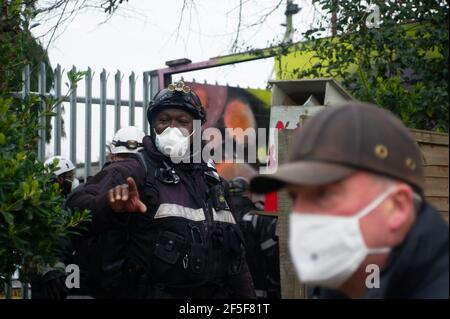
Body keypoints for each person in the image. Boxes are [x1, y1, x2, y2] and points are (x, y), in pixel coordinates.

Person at [66, 81, 255, 299]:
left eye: (182, 121)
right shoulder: (134, 170)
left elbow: (237, 262)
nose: (171, 128)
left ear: (196, 129)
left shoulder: (213, 181)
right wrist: (108, 205)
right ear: (153, 126)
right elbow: (74, 207)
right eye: (163, 120)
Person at [250, 102, 449, 299]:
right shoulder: (339, 284)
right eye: (295, 197)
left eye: (323, 194)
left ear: (397, 207)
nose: (301, 214)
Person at [31, 156, 79, 299]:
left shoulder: (59, 204)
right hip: (49, 276)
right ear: (59, 180)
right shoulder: (47, 208)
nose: (74, 180)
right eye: (71, 176)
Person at [228, 176, 281, 299]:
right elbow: (272, 253)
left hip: (226, 289)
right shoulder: (259, 217)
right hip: (259, 289)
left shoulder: (219, 216)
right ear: (249, 193)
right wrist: (274, 282)